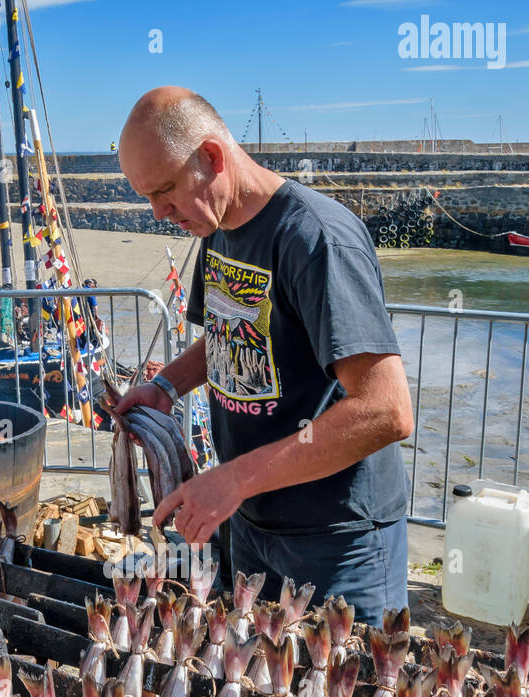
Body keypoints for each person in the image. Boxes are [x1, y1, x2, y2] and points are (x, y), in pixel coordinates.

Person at [113, 88, 414, 624]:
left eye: (164, 191)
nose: (159, 213)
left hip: (334, 542)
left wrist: (232, 479)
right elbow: (234, 334)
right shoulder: (217, 226)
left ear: (212, 157)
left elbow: (386, 411)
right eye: (147, 197)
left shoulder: (315, 239)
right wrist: (165, 388)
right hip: (250, 524)